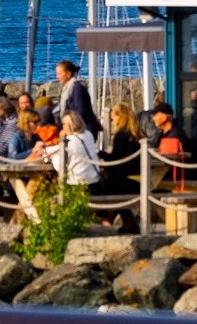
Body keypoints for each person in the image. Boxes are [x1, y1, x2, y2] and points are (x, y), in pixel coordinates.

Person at [92, 103, 142, 231]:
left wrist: (101, 154)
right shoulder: (137, 133)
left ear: (120, 116)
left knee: (100, 188)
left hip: (127, 180)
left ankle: (108, 220)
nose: (113, 121)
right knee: (112, 187)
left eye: (113, 118)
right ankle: (127, 222)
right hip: (140, 179)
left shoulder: (121, 135)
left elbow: (115, 160)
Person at [42, 111, 101, 187]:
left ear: (69, 125)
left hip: (76, 184)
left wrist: (53, 157)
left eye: (63, 124)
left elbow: (59, 166)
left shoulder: (69, 141)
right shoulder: (88, 134)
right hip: (94, 182)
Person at [54, 59, 101, 136]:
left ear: (68, 74)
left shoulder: (77, 88)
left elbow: (80, 111)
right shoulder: (66, 89)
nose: (57, 76)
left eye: (59, 73)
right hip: (74, 130)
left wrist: (69, 127)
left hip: (84, 131)